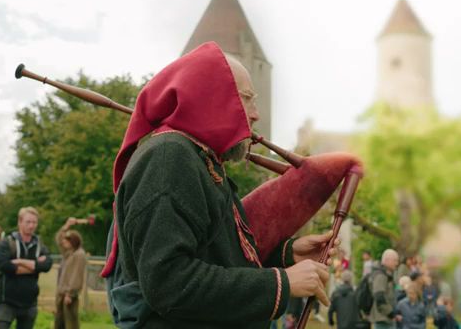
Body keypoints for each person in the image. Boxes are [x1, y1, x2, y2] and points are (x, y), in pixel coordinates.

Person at [102, 42, 336, 328]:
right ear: (211, 97)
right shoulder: (169, 158)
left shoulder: (202, 159)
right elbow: (168, 283)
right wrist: (281, 283)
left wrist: (287, 254)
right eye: (247, 98)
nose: (255, 114)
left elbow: (216, 253)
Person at [0, 207, 53, 329]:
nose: (31, 226)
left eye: (34, 222)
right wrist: (35, 266)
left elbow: (47, 265)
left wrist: (20, 261)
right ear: (20, 222)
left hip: (29, 302)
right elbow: (5, 265)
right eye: (28, 222)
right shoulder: (7, 243)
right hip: (7, 301)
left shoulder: (39, 245)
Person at [55, 218, 88, 329]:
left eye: (67, 240)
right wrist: (67, 225)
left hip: (69, 296)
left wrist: (70, 294)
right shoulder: (68, 253)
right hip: (61, 294)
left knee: (71, 325)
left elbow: (76, 276)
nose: (63, 242)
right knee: (59, 324)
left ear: (73, 241)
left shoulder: (79, 254)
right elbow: (59, 239)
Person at [369, 249, 400, 329]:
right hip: (383, 320)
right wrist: (391, 313)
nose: (397, 263)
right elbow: (379, 297)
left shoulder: (387, 274)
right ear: (386, 260)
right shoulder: (380, 276)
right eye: (395, 261)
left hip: (386, 319)